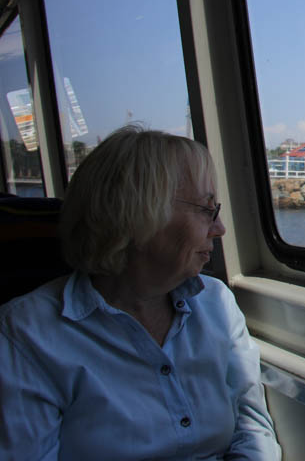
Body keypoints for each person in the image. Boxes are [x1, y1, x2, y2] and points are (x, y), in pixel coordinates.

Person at [0, 126, 281, 460]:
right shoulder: (27, 334)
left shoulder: (216, 302)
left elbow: (252, 427)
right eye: (207, 210)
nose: (219, 229)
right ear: (138, 215)